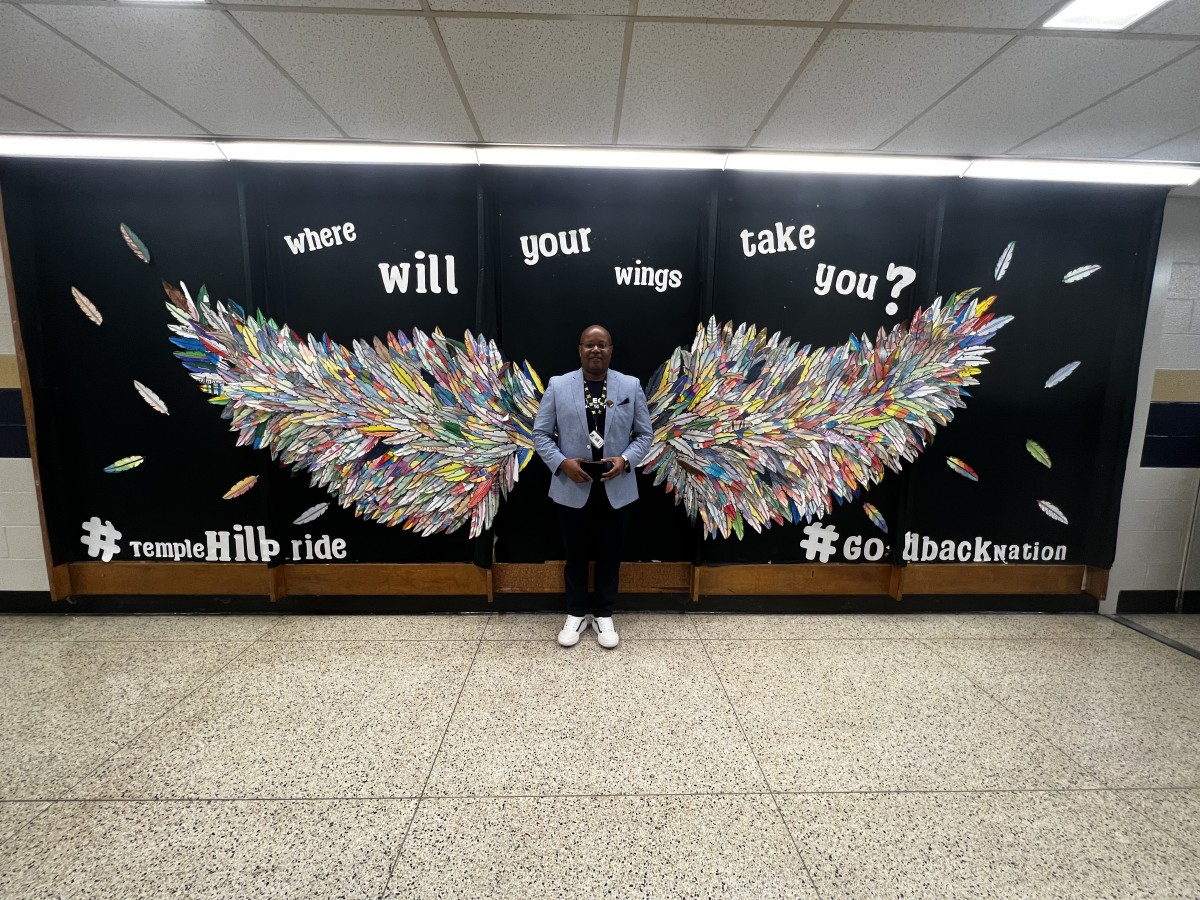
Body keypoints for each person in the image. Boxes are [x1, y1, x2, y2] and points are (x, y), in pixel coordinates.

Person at [532, 325, 652, 649]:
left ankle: (603, 612)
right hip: (572, 485)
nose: (595, 350)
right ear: (580, 349)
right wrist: (561, 464)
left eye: (602, 345)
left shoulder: (630, 385)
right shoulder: (558, 386)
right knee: (575, 553)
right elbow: (540, 434)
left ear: (611, 349)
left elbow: (645, 435)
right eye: (589, 345)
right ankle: (575, 611)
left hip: (617, 487)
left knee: (611, 553)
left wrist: (625, 460)